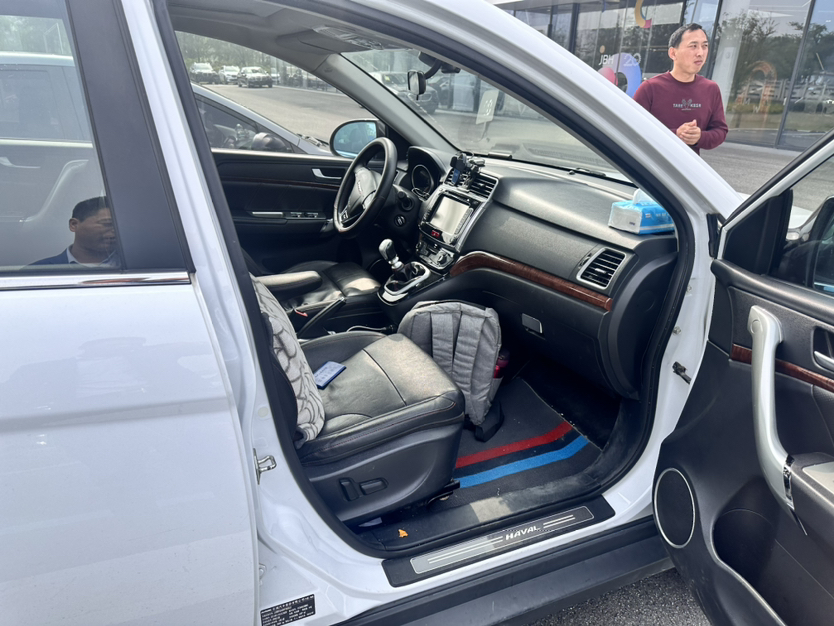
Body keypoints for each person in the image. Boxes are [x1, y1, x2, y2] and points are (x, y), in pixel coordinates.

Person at [633, 23, 728, 154]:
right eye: (693, 46)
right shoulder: (650, 88)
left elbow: (720, 131)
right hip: (651, 164)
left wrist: (700, 137)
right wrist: (675, 134)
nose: (700, 53)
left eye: (705, 46)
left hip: (689, 165)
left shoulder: (711, 89)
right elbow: (633, 129)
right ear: (673, 53)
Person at [32, 196, 120, 267]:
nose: (116, 230)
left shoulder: (127, 266)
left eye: (121, 226)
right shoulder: (39, 271)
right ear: (74, 225)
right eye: (107, 224)